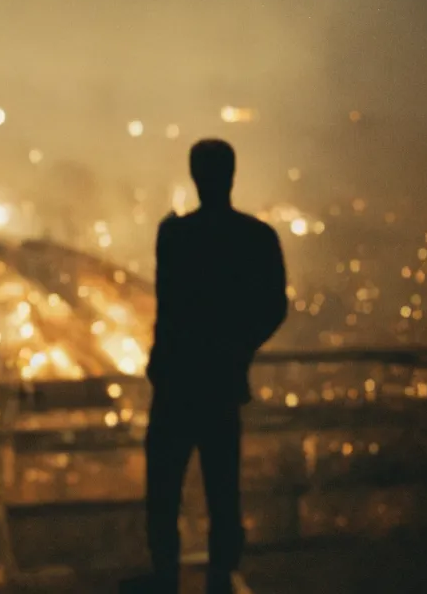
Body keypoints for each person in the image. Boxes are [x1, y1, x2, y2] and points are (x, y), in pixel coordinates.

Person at [141, 139, 288, 593]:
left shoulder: (175, 236)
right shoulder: (257, 237)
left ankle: (165, 572)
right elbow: (274, 307)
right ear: (232, 175)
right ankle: (223, 575)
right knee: (223, 488)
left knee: (163, 488)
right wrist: (238, 347)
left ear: (194, 175)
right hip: (221, 385)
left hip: (175, 385)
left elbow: (168, 308)